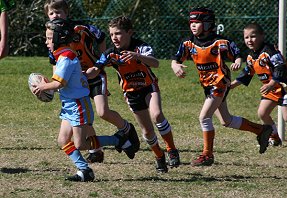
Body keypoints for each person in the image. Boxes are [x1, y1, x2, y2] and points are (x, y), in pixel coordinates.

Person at [32, 19, 138, 182]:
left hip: (78, 106)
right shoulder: (61, 55)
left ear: (59, 37)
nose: (46, 42)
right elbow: (59, 81)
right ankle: (84, 170)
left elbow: (60, 83)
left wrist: (42, 87)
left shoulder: (67, 57)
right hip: (69, 105)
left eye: (49, 38)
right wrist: (47, 83)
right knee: (62, 140)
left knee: (80, 144)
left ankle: (118, 139)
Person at [171, 7, 273, 167]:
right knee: (226, 120)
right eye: (191, 22)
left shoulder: (220, 42)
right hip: (207, 85)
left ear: (208, 24)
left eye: (197, 22)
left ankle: (207, 155)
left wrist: (237, 61)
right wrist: (175, 66)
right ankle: (261, 130)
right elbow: (175, 59)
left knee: (204, 117)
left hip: (219, 83)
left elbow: (237, 54)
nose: (193, 25)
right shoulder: (188, 43)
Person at [90, 16, 180, 173]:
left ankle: (171, 149)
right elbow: (96, 69)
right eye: (111, 35)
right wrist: (83, 74)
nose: (114, 38)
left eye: (118, 33)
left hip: (148, 87)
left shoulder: (140, 47)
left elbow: (155, 63)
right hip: (131, 93)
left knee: (157, 114)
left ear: (129, 32)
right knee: (147, 131)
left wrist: (137, 56)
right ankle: (159, 156)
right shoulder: (111, 54)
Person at [231, 22, 287, 146]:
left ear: (262, 36)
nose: (249, 40)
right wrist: (231, 85)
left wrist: (272, 83)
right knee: (262, 113)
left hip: (285, 88)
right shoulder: (251, 56)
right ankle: (274, 137)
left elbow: (280, 67)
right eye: (246, 37)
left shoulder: (270, 51)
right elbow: (247, 72)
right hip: (271, 90)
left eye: (253, 36)